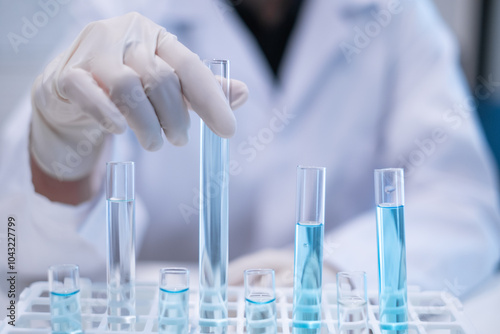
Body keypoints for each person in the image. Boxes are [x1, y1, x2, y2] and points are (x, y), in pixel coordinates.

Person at [0, 0, 499, 297]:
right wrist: (59, 159)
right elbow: (18, 247)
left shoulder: (395, 17)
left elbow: (462, 204)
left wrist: (338, 269)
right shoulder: (116, 16)